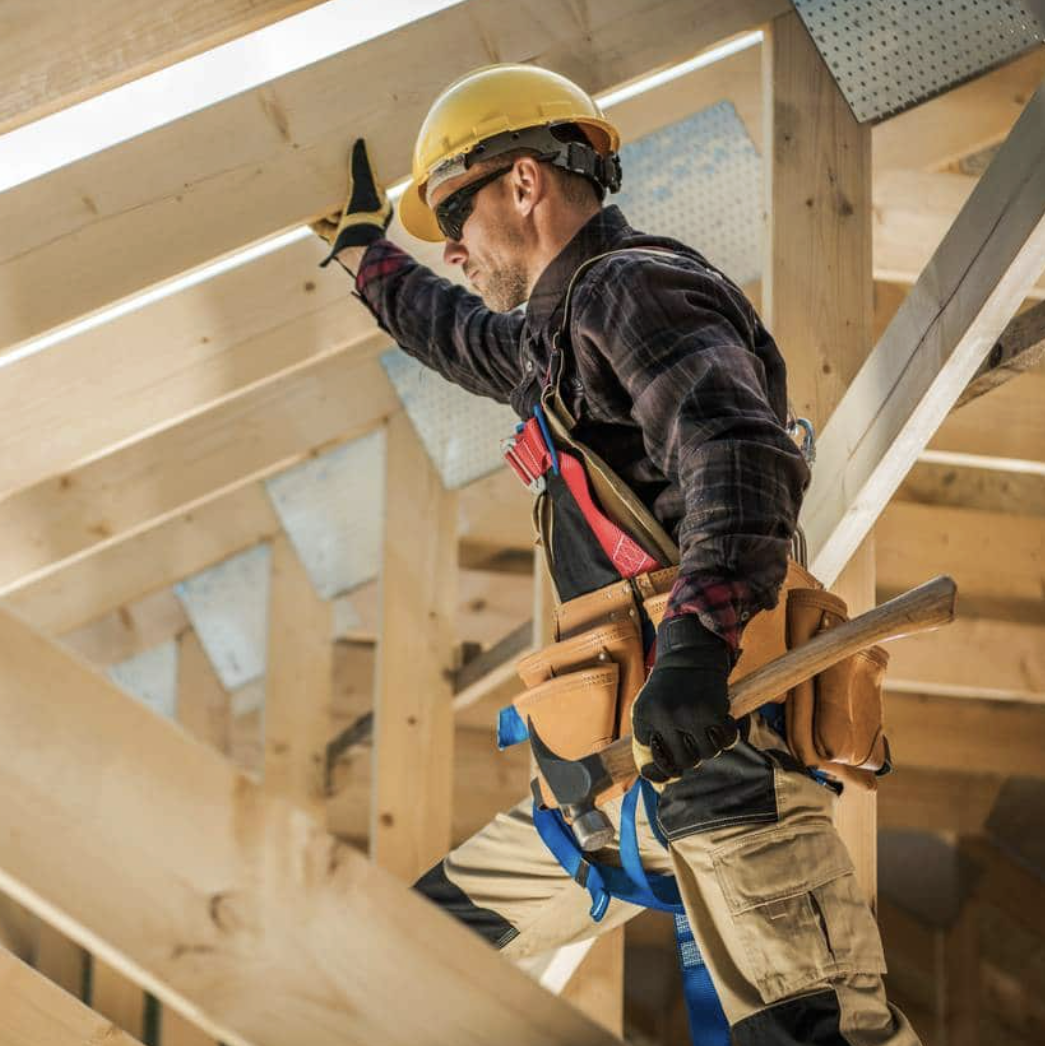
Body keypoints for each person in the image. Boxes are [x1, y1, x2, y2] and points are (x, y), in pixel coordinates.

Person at [313, 64, 918, 1045]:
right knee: (392, 958)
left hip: (724, 773)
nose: (452, 249)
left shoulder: (634, 288)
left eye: (453, 213)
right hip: (613, 792)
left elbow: (738, 454)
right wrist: (361, 254)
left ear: (523, 183)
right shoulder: (554, 338)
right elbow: (454, 334)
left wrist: (695, 650)